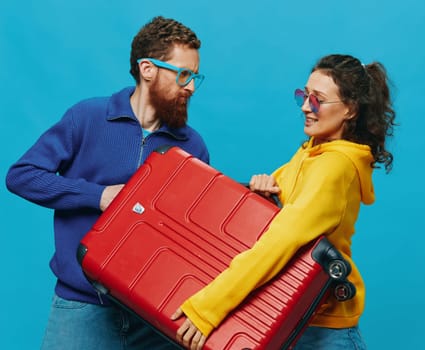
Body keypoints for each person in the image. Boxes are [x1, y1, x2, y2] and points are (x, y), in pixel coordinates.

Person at [5, 16, 209, 349]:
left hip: (156, 318)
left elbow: (194, 234)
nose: (190, 87)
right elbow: (21, 176)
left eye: (195, 77)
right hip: (81, 308)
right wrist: (97, 196)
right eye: (184, 74)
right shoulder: (87, 117)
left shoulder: (192, 146)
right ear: (148, 69)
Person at [171, 53, 396, 350]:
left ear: (350, 109)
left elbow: (278, 244)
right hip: (296, 319)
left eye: (317, 100)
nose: (306, 106)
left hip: (324, 333)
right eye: (304, 95)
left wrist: (208, 308)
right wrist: (265, 193)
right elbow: (286, 200)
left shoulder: (334, 166)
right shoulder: (313, 152)